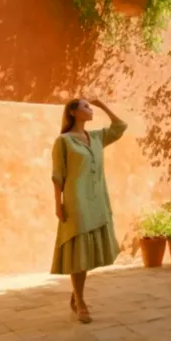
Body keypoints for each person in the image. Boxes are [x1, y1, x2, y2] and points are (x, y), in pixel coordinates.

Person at [50, 98, 127, 324]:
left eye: (90, 106)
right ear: (73, 112)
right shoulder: (63, 141)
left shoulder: (96, 138)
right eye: (86, 106)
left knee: (87, 252)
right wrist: (58, 205)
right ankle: (80, 301)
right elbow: (57, 175)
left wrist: (102, 105)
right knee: (79, 252)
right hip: (76, 202)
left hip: (97, 199)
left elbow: (120, 126)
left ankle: (76, 295)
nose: (90, 109)